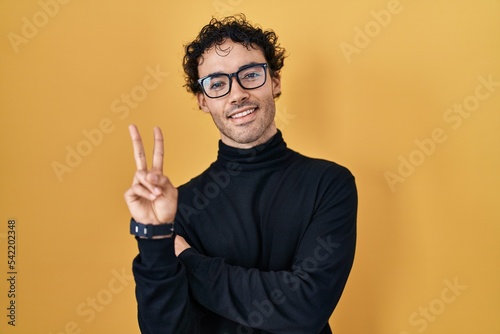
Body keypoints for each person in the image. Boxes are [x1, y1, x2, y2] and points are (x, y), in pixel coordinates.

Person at [124, 14, 357, 334]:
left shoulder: (329, 184)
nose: (237, 94)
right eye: (217, 84)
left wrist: (190, 261)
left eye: (250, 74)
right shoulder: (179, 205)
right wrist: (155, 239)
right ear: (203, 101)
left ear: (274, 81)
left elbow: (305, 309)